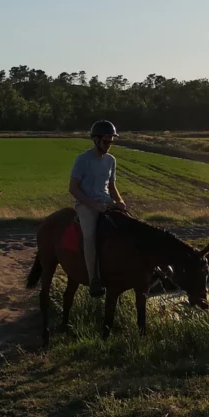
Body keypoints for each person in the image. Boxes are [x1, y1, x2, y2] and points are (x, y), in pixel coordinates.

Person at [69, 120, 127, 298]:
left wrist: (120, 201)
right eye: (106, 142)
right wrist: (92, 204)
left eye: (111, 142)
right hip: (86, 204)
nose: (109, 145)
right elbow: (73, 188)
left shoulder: (111, 160)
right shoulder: (82, 159)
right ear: (96, 139)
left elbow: (111, 186)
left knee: (129, 225)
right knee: (90, 236)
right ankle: (94, 279)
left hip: (105, 201)